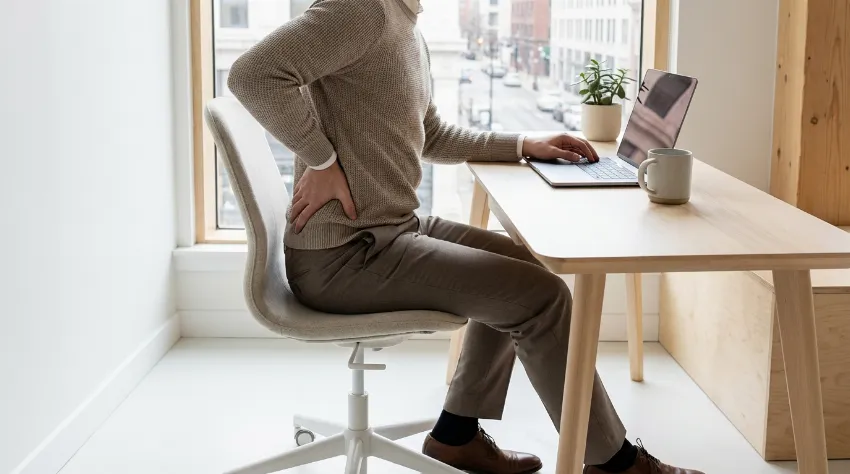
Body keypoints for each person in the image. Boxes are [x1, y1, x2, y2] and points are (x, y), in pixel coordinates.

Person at [227, 0, 704, 473]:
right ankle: (615, 464)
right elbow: (252, 75)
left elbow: (430, 134)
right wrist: (321, 159)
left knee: (529, 267)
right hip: (346, 257)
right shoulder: (361, 10)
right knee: (542, 297)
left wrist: (522, 145)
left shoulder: (405, 23)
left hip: (390, 232)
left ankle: (456, 437)